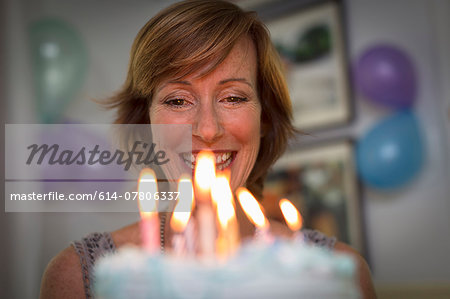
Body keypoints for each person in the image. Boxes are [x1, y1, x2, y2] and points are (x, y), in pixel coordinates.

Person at [39, 1, 376, 298]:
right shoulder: (78, 276)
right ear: (145, 122)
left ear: (265, 118)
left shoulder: (337, 275)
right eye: (177, 101)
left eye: (233, 97)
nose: (208, 130)